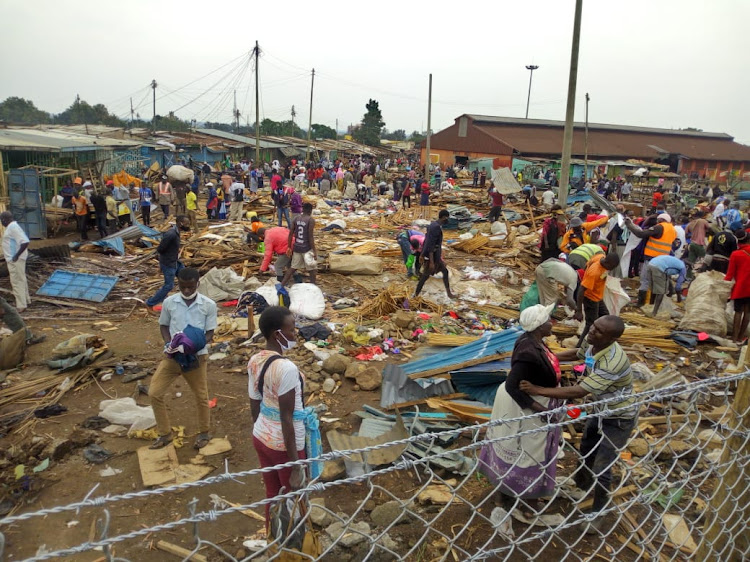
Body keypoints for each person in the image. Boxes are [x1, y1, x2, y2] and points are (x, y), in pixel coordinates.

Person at [521, 315, 636, 534]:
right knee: (586, 448)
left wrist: (537, 390)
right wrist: (550, 358)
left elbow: (580, 390)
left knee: (603, 466)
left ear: (613, 338)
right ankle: (582, 486)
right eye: (593, 326)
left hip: (619, 416)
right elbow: (578, 354)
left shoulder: (613, 361)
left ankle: (598, 512)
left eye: (599, 331)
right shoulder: (593, 341)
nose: (592, 332)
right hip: (600, 408)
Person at [479, 304, 563, 516]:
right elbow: (511, 384)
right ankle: (528, 502)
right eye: (547, 320)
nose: (551, 322)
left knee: (514, 446)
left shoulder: (534, 342)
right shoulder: (528, 351)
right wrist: (540, 410)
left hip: (527, 401)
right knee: (528, 450)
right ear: (538, 325)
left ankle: (505, 494)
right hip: (523, 405)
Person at [249, 306, 317, 525]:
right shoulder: (286, 368)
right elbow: (286, 418)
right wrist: (296, 467)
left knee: (272, 494)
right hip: (285, 444)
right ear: (278, 334)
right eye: (292, 329)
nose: (295, 334)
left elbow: (254, 401)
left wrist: (262, 431)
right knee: (293, 501)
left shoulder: (255, 360)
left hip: (261, 435)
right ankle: (293, 548)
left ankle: (274, 541)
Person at [148, 267, 217, 450]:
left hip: (195, 358)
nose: (186, 291)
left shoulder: (208, 305)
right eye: (183, 287)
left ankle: (204, 433)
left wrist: (195, 344)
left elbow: (210, 332)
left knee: (201, 396)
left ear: (197, 284)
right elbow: (163, 325)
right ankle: (164, 434)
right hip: (173, 357)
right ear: (178, 284)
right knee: (154, 392)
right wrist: (169, 342)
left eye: (190, 287)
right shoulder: (170, 302)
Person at [624, 213, 677, 306]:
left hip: (652, 259)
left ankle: (641, 303)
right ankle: (652, 303)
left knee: (645, 280)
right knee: (655, 282)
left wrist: (629, 225)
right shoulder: (672, 229)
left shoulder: (659, 227)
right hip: (663, 260)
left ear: (660, 220)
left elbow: (640, 234)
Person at [575, 253, 620, 345]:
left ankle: (601, 341)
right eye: (612, 267)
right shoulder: (594, 272)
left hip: (598, 296)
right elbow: (581, 289)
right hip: (590, 299)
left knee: (605, 316)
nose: (612, 269)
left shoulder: (600, 257)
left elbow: (587, 264)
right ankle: (580, 347)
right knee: (591, 324)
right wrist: (579, 310)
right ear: (608, 263)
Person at [146, 215, 191, 307]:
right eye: (186, 224)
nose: (188, 225)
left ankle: (188, 299)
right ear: (180, 223)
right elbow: (161, 248)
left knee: (185, 278)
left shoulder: (176, 232)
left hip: (175, 261)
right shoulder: (171, 234)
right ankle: (150, 303)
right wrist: (166, 257)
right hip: (168, 263)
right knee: (169, 285)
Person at [414, 209, 455, 299]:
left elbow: (426, 241)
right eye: (447, 218)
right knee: (425, 276)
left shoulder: (432, 225)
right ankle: (415, 295)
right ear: (444, 217)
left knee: (445, 271)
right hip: (432, 256)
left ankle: (449, 293)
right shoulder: (435, 227)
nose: (447, 220)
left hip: (434, 256)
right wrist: (432, 262)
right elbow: (431, 245)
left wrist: (422, 254)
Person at [1, 212, 30, 312]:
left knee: (17, 282)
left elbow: (25, 242)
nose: (1, 222)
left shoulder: (13, 227)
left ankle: (21, 305)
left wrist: (16, 256)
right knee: (21, 280)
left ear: (4, 219)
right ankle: (25, 301)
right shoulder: (13, 227)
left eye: (1, 220)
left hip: (15, 260)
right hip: (15, 259)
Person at [281, 203, 317, 286]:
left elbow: (290, 234)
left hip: (297, 247)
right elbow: (310, 237)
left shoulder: (296, 218)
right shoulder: (310, 220)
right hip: (306, 248)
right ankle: (313, 287)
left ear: (302, 209)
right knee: (312, 269)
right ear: (310, 210)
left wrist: (289, 247)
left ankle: (282, 285)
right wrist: (314, 251)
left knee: (293, 267)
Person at [724, 230, 750, 342]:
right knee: (748, 312)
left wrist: (722, 285)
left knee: (738, 312)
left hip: (741, 287)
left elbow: (729, 275)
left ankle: (734, 338)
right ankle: (740, 337)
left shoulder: (736, 254)